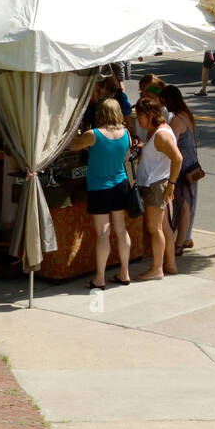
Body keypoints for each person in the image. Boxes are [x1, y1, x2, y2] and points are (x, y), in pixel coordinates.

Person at [70, 99, 132, 288]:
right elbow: (127, 157)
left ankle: (100, 278)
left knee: (103, 234)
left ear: (100, 114)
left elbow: (73, 146)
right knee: (121, 231)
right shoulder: (126, 133)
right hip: (120, 185)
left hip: (99, 187)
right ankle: (125, 272)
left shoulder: (93, 134)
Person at [134, 96, 182, 281]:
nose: (138, 120)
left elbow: (177, 158)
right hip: (158, 182)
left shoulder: (161, 134)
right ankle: (169, 265)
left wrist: (171, 184)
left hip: (156, 184)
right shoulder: (160, 131)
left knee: (154, 228)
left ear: (151, 114)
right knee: (163, 227)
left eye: (140, 116)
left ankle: (156, 269)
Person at [162, 85, 200, 253]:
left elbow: (172, 143)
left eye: (164, 101)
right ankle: (185, 238)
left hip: (182, 168)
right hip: (192, 165)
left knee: (182, 204)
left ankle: (179, 242)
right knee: (189, 203)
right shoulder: (187, 115)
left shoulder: (177, 120)